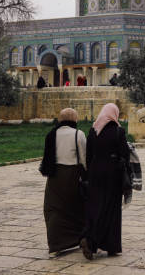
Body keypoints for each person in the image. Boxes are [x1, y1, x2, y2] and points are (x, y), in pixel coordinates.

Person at [80, 103, 130, 260]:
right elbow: (125, 155)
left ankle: (94, 241)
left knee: (96, 206)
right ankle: (99, 243)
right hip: (112, 174)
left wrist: (88, 175)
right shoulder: (118, 131)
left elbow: (88, 155)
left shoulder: (93, 131)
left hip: (95, 173)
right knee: (111, 209)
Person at [39, 108, 87, 256]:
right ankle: (78, 238)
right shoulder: (78, 134)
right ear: (74, 119)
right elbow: (84, 158)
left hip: (54, 176)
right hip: (72, 176)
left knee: (53, 209)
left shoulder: (51, 134)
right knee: (76, 207)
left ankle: (56, 243)